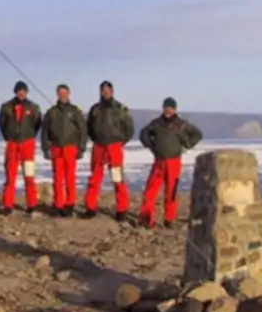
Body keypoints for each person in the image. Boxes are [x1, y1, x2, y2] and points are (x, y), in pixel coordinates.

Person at [139, 97, 203, 228]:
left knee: (171, 191)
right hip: (159, 161)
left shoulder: (181, 124)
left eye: (171, 108)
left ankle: (169, 219)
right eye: (166, 107)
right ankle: (146, 218)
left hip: (174, 161)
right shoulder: (156, 123)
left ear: (175, 109)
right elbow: (144, 133)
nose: (168, 110)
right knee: (150, 191)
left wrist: (187, 145)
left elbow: (197, 134)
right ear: (163, 108)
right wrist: (151, 146)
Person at [83, 80, 135, 221]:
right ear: (100, 92)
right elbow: (89, 127)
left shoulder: (120, 109)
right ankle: (90, 207)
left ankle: (122, 209)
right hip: (99, 146)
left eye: (108, 90)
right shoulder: (95, 109)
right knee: (95, 177)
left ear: (112, 91)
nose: (105, 92)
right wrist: (95, 139)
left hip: (114, 146)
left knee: (117, 178)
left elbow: (129, 128)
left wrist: (120, 141)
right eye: (103, 90)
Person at [41, 83, 87, 217]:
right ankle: (58, 204)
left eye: (65, 93)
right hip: (56, 148)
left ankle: (70, 204)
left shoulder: (75, 111)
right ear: (57, 94)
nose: (63, 95)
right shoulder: (52, 112)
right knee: (57, 178)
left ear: (69, 94)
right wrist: (46, 148)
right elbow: (45, 131)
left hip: (71, 148)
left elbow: (83, 130)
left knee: (70, 178)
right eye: (60, 93)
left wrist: (81, 148)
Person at [0, 81, 43, 216]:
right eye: (19, 91)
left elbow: (37, 123)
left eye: (23, 91)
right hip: (12, 144)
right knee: (10, 175)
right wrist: (8, 136)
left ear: (27, 92)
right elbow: (2, 123)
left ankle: (31, 204)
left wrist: (29, 135)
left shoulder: (33, 107)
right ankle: (8, 204)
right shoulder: (6, 107)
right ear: (15, 92)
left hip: (27, 144)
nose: (21, 93)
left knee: (29, 175)